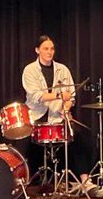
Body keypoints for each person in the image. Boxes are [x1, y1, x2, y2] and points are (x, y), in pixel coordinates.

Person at [21, 35, 93, 188]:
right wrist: (59, 95)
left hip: (57, 117)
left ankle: (86, 181)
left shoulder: (63, 69)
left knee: (77, 136)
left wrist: (66, 108)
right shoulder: (30, 70)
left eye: (52, 49)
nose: (49, 52)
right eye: (45, 48)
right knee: (23, 143)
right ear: (37, 50)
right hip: (35, 118)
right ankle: (22, 183)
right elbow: (36, 96)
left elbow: (71, 95)